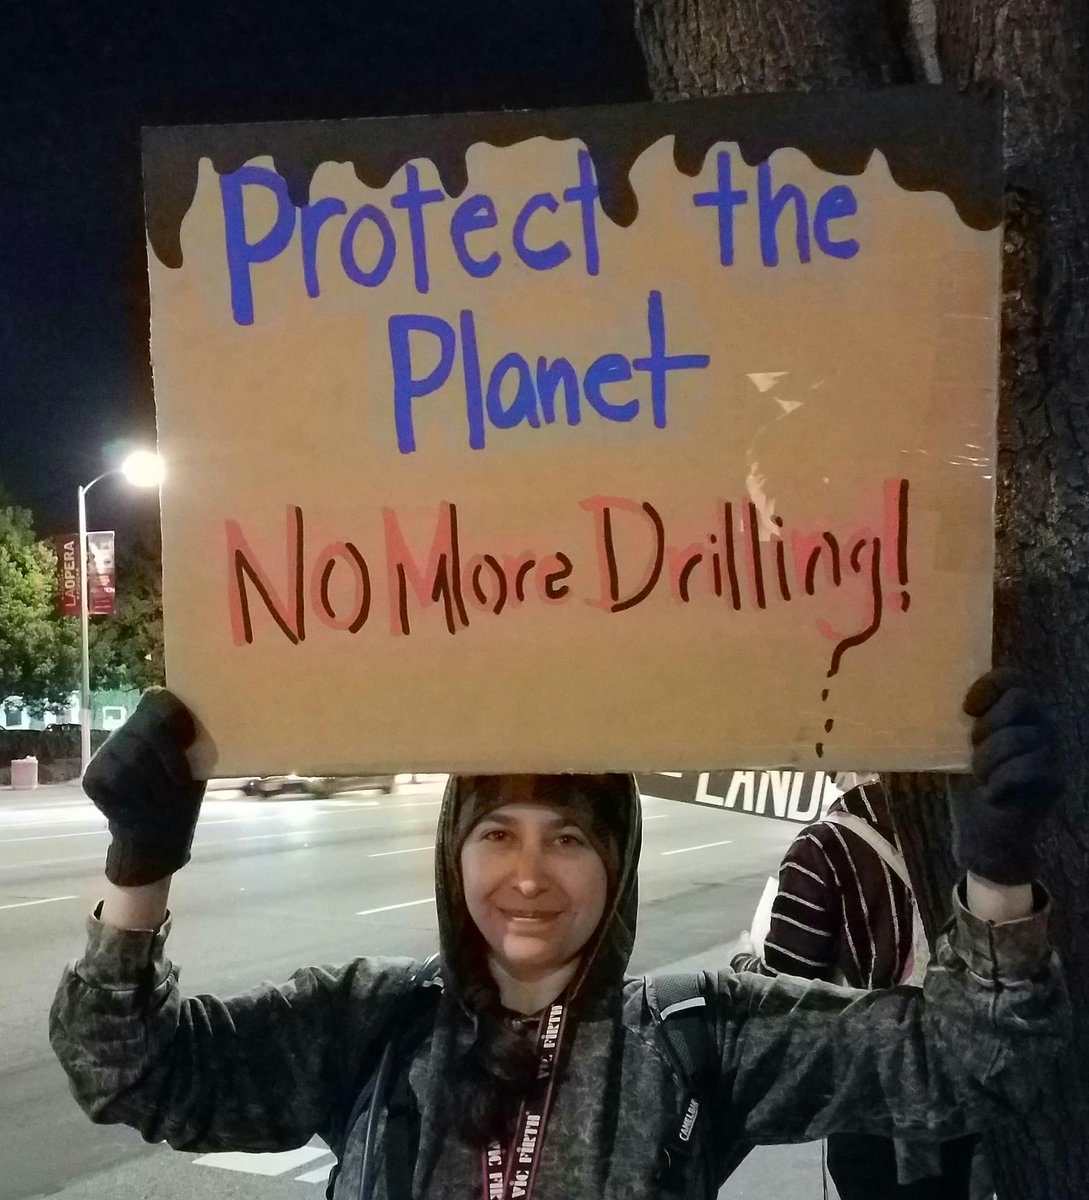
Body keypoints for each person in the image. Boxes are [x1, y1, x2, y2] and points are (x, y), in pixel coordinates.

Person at [50, 670, 1070, 1200]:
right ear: (455, 853)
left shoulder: (700, 1038)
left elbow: (970, 1064)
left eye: (569, 838)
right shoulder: (367, 1026)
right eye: (497, 834)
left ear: (617, 864)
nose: (529, 877)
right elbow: (129, 1072)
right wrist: (138, 871)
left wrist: (996, 875)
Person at [730, 775, 979, 1198]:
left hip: (874, 1107)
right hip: (968, 1090)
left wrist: (744, 964)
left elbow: (786, 1002)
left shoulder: (823, 848)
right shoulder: (968, 817)